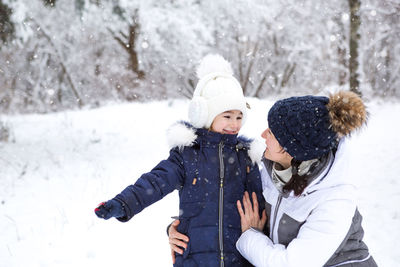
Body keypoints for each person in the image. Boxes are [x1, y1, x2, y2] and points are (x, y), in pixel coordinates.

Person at [169, 91, 378, 267]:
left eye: (272, 133)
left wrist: (251, 235)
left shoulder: (334, 201)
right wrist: (180, 231)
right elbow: (223, 204)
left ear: (293, 149)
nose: (262, 135)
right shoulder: (273, 171)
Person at [94, 54, 264, 267]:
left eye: (239, 117)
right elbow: (154, 182)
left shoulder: (246, 158)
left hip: (239, 259)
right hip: (194, 259)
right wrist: (122, 204)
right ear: (206, 116)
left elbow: (268, 203)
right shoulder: (187, 156)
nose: (234, 124)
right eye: (227, 116)